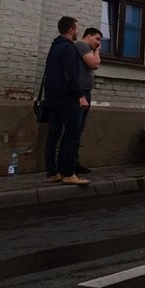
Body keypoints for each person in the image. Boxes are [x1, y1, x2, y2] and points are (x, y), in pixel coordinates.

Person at [44, 16, 91, 185]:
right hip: (67, 98)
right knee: (73, 133)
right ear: (71, 30)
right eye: (77, 28)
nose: (78, 31)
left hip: (52, 97)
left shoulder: (55, 46)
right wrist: (80, 95)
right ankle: (69, 173)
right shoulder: (69, 48)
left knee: (53, 134)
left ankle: (52, 172)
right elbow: (71, 74)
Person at [74, 27, 103, 174]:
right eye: (97, 39)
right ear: (89, 36)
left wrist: (95, 51)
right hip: (80, 94)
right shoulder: (81, 45)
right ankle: (69, 163)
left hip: (86, 93)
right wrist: (97, 52)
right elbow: (95, 64)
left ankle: (74, 161)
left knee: (79, 129)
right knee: (74, 129)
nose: (98, 43)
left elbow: (95, 65)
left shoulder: (87, 49)